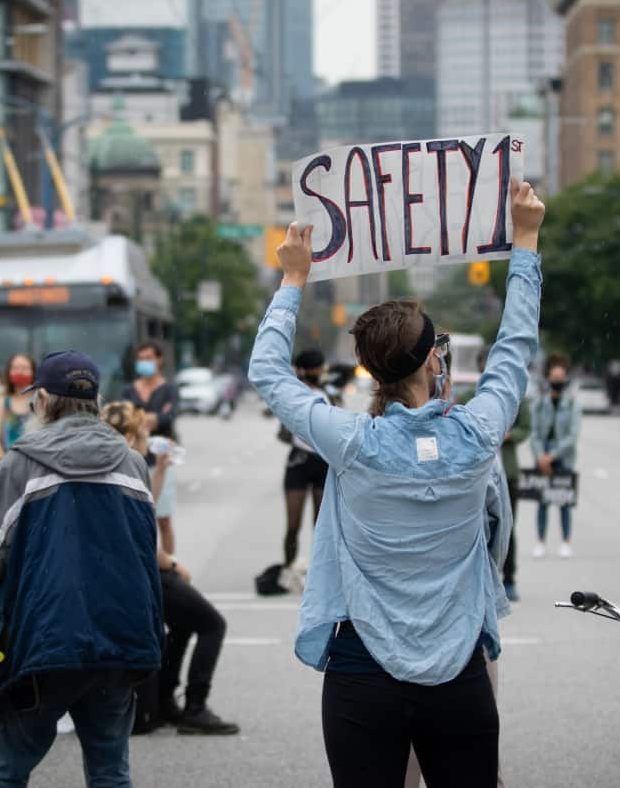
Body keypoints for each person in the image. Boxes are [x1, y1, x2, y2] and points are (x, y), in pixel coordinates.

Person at [249, 179, 544, 788]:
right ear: (434, 360)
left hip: (361, 674)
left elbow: (268, 372)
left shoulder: (350, 441)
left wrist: (293, 279)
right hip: (458, 676)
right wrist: (526, 241)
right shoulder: (478, 434)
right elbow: (515, 346)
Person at [0, 351, 163, 787]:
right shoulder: (131, 463)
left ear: (45, 400)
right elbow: (145, 551)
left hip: (42, 643)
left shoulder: (21, 464)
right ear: (95, 400)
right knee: (111, 772)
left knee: (6, 773)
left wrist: (5, 615)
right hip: (118, 642)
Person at [101, 401, 239, 736]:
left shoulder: (113, 467)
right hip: (144, 577)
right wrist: (174, 563)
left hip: (128, 578)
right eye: (146, 432)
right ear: (132, 434)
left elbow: (145, 505)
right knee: (212, 624)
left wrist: (160, 469)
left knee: (182, 624)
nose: (151, 437)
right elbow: (143, 538)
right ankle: (195, 706)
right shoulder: (124, 468)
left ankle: (164, 700)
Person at [455, 347, 532, 602]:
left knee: (508, 527)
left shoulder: (515, 398)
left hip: (506, 471)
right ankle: (480, 578)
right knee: (476, 527)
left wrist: (509, 436)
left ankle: (509, 579)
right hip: (476, 473)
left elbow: (525, 428)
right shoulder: (467, 396)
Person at [123, 342, 179, 555]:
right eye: (141, 358)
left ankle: (169, 570)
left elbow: (169, 416)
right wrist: (153, 417)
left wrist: (145, 419)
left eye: (149, 358)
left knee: (163, 519)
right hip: (133, 460)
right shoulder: (128, 390)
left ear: (159, 360)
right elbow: (126, 420)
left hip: (161, 460)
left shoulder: (169, 389)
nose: (145, 362)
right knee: (138, 520)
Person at [529, 353, 582, 559]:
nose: (557, 382)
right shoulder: (540, 403)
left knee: (564, 500)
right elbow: (534, 433)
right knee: (542, 500)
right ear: (548, 378)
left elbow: (572, 435)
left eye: (561, 378)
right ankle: (541, 541)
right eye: (554, 378)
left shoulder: (572, 404)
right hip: (542, 455)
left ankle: (565, 541)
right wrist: (541, 456)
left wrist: (552, 456)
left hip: (563, 456)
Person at [281, 347, 330, 567]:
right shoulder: (293, 392)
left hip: (322, 460)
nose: (320, 371)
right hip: (299, 461)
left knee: (320, 525)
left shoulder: (328, 394)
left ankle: (320, 572)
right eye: (317, 368)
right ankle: (288, 568)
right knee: (293, 523)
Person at [0, 353, 36, 465]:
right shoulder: (1, 402)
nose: (19, 372)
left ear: (33, 372)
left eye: (24, 368)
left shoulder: (41, 400)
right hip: (9, 467)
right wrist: (3, 462)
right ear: (8, 372)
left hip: (36, 467)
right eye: (15, 368)